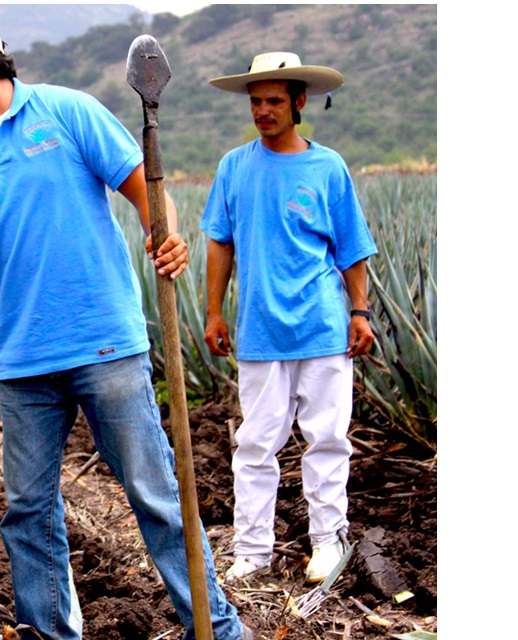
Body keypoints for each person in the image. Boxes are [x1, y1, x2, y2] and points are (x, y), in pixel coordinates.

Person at [0, 14, 251, 640]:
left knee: (156, 496)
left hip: (105, 344)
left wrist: (164, 233)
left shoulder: (68, 112)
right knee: (28, 512)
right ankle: (47, 633)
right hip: (23, 362)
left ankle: (217, 628)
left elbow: (145, 185)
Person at [201, 52, 377, 584]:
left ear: (299, 103)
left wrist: (361, 311)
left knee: (326, 439)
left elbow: (351, 248)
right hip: (259, 330)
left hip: (322, 327)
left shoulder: (328, 167)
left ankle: (328, 542)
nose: (263, 111)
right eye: (256, 102)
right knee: (255, 446)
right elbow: (219, 242)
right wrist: (213, 311)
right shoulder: (235, 166)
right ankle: (253, 552)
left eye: (274, 101)